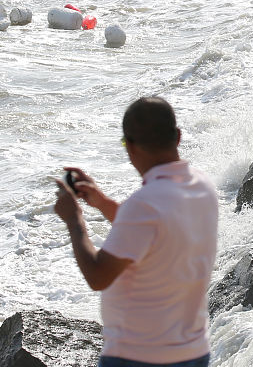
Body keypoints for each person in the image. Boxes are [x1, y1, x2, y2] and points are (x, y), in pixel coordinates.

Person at [54, 97, 219, 367]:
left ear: (129, 146)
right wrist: (102, 202)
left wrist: (74, 220)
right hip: (194, 351)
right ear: (177, 137)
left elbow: (98, 277)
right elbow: (156, 232)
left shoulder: (144, 205)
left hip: (139, 355)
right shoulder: (202, 185)